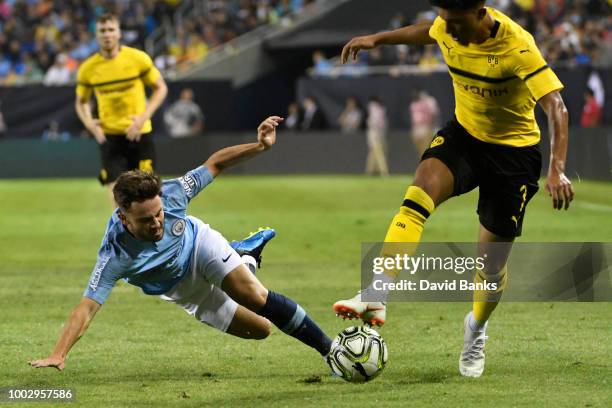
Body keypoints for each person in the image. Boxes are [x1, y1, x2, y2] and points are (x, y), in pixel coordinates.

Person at [333, 0, 574, 378]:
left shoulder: (517, 47)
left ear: (481, 14)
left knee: (490, 268)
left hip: (513, 156)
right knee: (417, 195)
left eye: (456, 22)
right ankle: (376, 294)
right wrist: (376, 39)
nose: (449, 29)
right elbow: (425, 30)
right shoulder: (448, 25)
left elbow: (556, 106)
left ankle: (476, 328)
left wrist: (557, 169)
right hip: (465, 136)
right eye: (445, 20)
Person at [29, 116, 333, 372]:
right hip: (184, 290)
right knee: (262, 330)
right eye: (146, 220)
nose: (157, 222)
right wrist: (59, 353)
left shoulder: (173, 193)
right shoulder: (115, 253)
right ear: (124, 220)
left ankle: (332, 352)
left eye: (159, 214)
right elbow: (87, 307)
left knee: (255, 296)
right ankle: (245, 257)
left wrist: (260, 146)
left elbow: (215, 164)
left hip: (199, 245)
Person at [75, 13, 168, 206]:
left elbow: (161, 88)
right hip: (109, 136)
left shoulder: (137, 59)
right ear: (96, 35)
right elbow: (81, 102)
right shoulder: (88, 68)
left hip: (139, 133)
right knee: (116, 191)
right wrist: (91, 125)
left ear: (119, 33)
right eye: (102, 31)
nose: (107, 34)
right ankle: (123, 233)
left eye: (111, 30)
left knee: (149, 193)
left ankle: (152, 233)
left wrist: (143, 117)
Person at [409, 87, 440, 157]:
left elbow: (434, 114)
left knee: (426, 148)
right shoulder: (413, 104)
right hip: (417, 128)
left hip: (427, 127)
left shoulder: (429, 101)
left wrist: (431, 126)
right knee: (420, 149)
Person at [365, 96, 389, 176]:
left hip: (378, 133)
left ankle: (369, 171)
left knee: (373, 153)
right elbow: (374, 122)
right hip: (375, 132)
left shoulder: (378, 108)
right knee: (379, 152)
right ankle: (384, 172)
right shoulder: (374, 108)